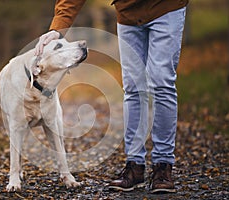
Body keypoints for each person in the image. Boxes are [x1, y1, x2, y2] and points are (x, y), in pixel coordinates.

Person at [35, 0, 188, 193]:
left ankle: (163, 166)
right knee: (133, 88)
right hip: (128, 15)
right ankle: (135, 165)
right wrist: (58, 27)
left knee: (161, 83)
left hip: (166, 7)